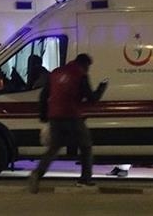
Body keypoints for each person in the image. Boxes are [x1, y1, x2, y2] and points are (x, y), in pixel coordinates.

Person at [28, 53, 108, 193]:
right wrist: (102, 87)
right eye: (88, 67)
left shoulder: (55, 73)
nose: (88, 70)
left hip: (54, 116)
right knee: (86, 146)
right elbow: (92, 99)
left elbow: (43, 95)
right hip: (72, 115)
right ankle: (85, 180)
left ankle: (37, 173)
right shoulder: (80, 75)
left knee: (54, 148)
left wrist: (43, 116)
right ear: (84, 64)